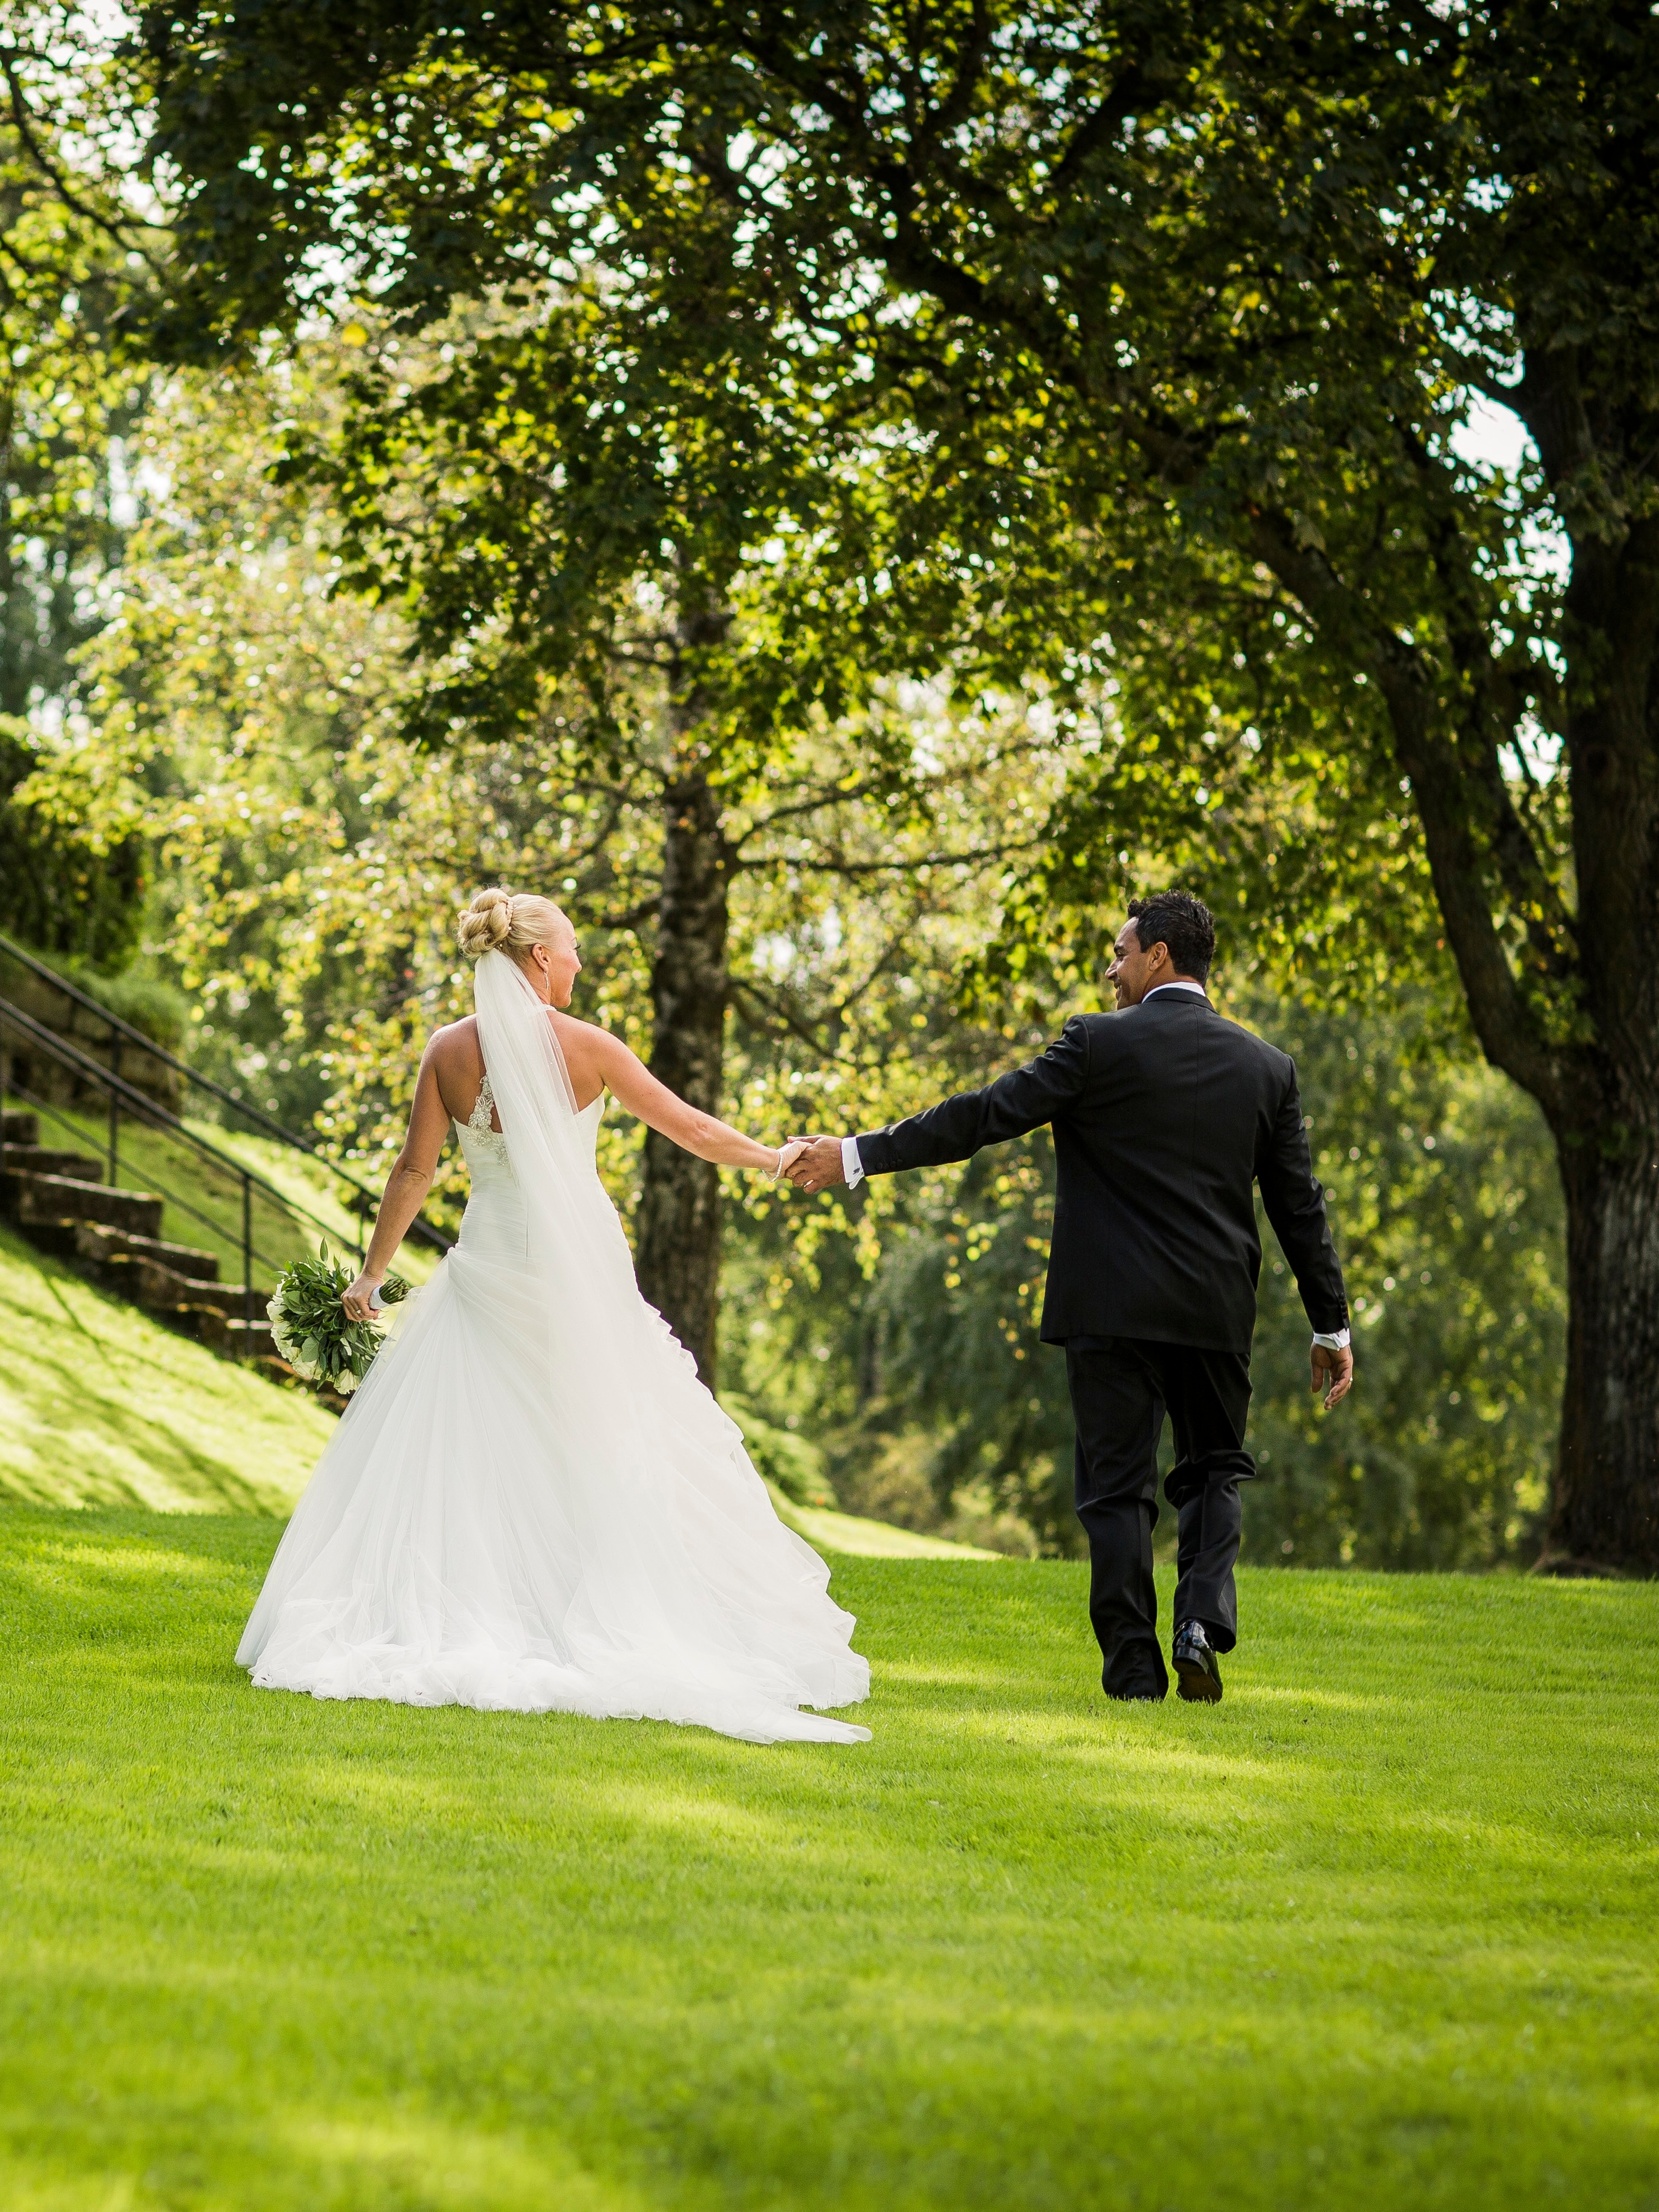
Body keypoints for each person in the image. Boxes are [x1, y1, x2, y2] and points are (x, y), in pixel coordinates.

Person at [237, 887, 871, 1746]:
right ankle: (578, 1612)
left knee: (471, 1455)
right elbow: (684, 1126)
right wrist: (776, 1156)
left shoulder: (447, 1052)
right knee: (602, 1444)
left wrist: (371, 1275)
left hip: (488, 1271)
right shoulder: (588, 1047)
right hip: (575, 1280)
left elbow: (413, 1171)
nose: (577, 962)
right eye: (570, 949)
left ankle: (477, 1610)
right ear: (538, 957)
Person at [785, 889, 1351, 1705]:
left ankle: (1132, 1673)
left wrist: (857, 1156)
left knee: (1118, 1491)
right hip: (1213, 1312)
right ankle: (1200, 1624)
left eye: (1120, 953)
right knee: (1215, 1471)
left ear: (1159, 954)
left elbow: (983, 1117)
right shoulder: (1267, 1067)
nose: (1110, 970)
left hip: (1109, 1310)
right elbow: (1301, 1210)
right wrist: (1330, 1325)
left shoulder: (1096, 1045)